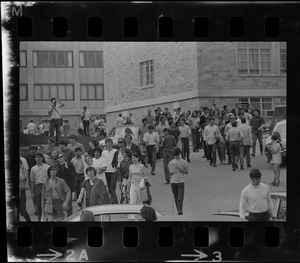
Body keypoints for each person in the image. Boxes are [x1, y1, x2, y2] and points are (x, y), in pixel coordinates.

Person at [30, 153, 50, 221]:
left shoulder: (47, 167)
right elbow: (32, 181)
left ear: (42, 158)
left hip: (45, 186)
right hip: (37, 186)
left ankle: (47, 220)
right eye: (36, 157)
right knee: (39, 207)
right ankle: (40, 221)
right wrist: (32, 192)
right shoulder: (33, 168)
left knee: (47, 206)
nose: (38, 159)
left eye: (39, 157)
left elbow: (50, 178)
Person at [168, 148, 188, 215]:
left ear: (179, 154)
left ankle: (180, 211)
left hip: (181, 181)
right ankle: (178, 210)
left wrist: (180, 169)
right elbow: (170, 173)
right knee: (176, 197)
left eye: (177, 155)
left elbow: (186, 172)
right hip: (173, 181)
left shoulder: (184, 162)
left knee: (180, 197)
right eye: (174, 155)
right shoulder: (171, 162)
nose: (176, 157)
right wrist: (172, 170)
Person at [57, 152, 76, 217]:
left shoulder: (69, 164)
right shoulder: (57, 166)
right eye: (58, 157)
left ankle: (70, 218)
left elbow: (73, 175)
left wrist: (67, 167)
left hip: (68, 187)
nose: (60, 158)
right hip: (59, 187)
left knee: (69, 204)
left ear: (64, 157)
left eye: (61, 157)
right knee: (61, 204)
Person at [101, 138, 118, 204]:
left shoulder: (115, 151)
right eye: (107, 143)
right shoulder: (103, 152)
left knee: (112, 188)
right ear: (105, 144)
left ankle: (115, 202)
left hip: (113, 171)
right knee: (108, 188)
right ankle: (112, 201)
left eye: (110, 142)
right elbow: (102, 161)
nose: (109, 144)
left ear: (112, 143)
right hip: (106, 172)